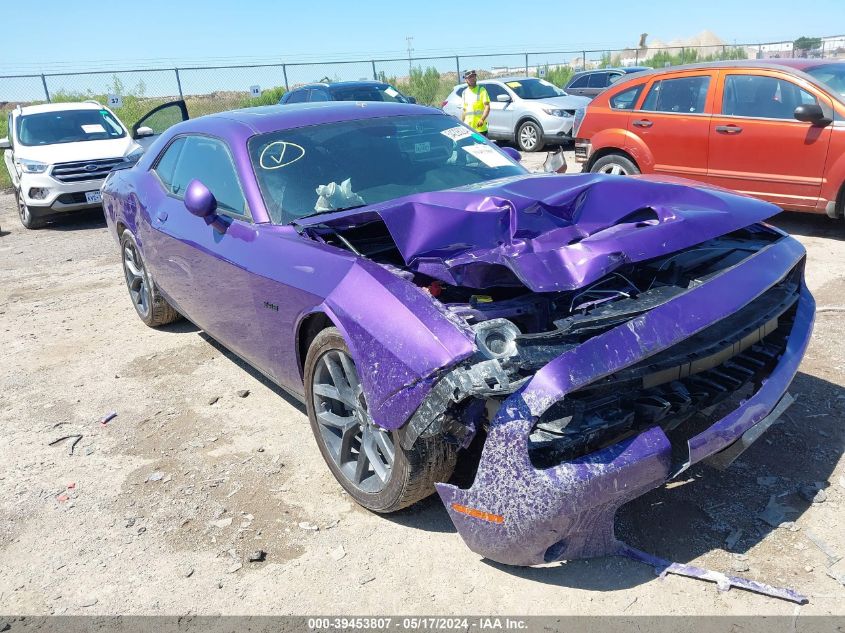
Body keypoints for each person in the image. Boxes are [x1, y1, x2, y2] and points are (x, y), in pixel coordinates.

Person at [461, 70, 490, 136]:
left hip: (480, 128)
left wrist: (482, 119)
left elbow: (487, 107)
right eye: (470, 77)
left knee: (482, 146)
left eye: (473, 76)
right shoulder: (464, 93)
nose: (472, 79)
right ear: (466, 80)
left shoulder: (481, 90)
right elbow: (464, 110)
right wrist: (462, 124)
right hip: (468, 128)